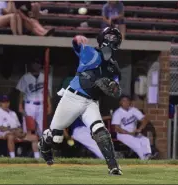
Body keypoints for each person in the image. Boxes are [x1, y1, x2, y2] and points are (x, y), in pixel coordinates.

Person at [38, 27, 123, 175]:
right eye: (109, 36)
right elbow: (76, 44)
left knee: (100, 131)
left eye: (115, 37)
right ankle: (45, 140)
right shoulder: (90, 52)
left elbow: (116, 90)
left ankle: (113, 167)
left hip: (91, 102)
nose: (112, 39)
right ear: (102, 37)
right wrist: (77, 38)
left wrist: (113, 88)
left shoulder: (114, 68)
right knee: (56, 139)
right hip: (72, 97)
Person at [16, 58, 52, 137]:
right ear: (32, 65)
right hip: (29, 105)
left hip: (42, 105)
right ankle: (26, 147)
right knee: (27, 127)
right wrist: (20, 105)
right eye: (34, 63)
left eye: (38, 63)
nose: (36, 65)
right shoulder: (25, 77)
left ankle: (40, 148)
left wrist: (49, 105)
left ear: (40, 65)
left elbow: (47, 92)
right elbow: (21, 92)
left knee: (42, 128)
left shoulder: (45, 77)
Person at [111, 95, 152, 160]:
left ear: (130, 102)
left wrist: (139, 129)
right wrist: (129, 133)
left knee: (145, 140)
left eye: (127, 101)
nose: (126, 102)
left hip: (134, 133)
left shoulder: (134, 110)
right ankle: (144, 159)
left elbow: (144, 120)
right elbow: (117, 128)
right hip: (122, 134)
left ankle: (148, 155)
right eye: (124, 101)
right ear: (120, 103)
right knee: (137, 143)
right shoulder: (117, 113)